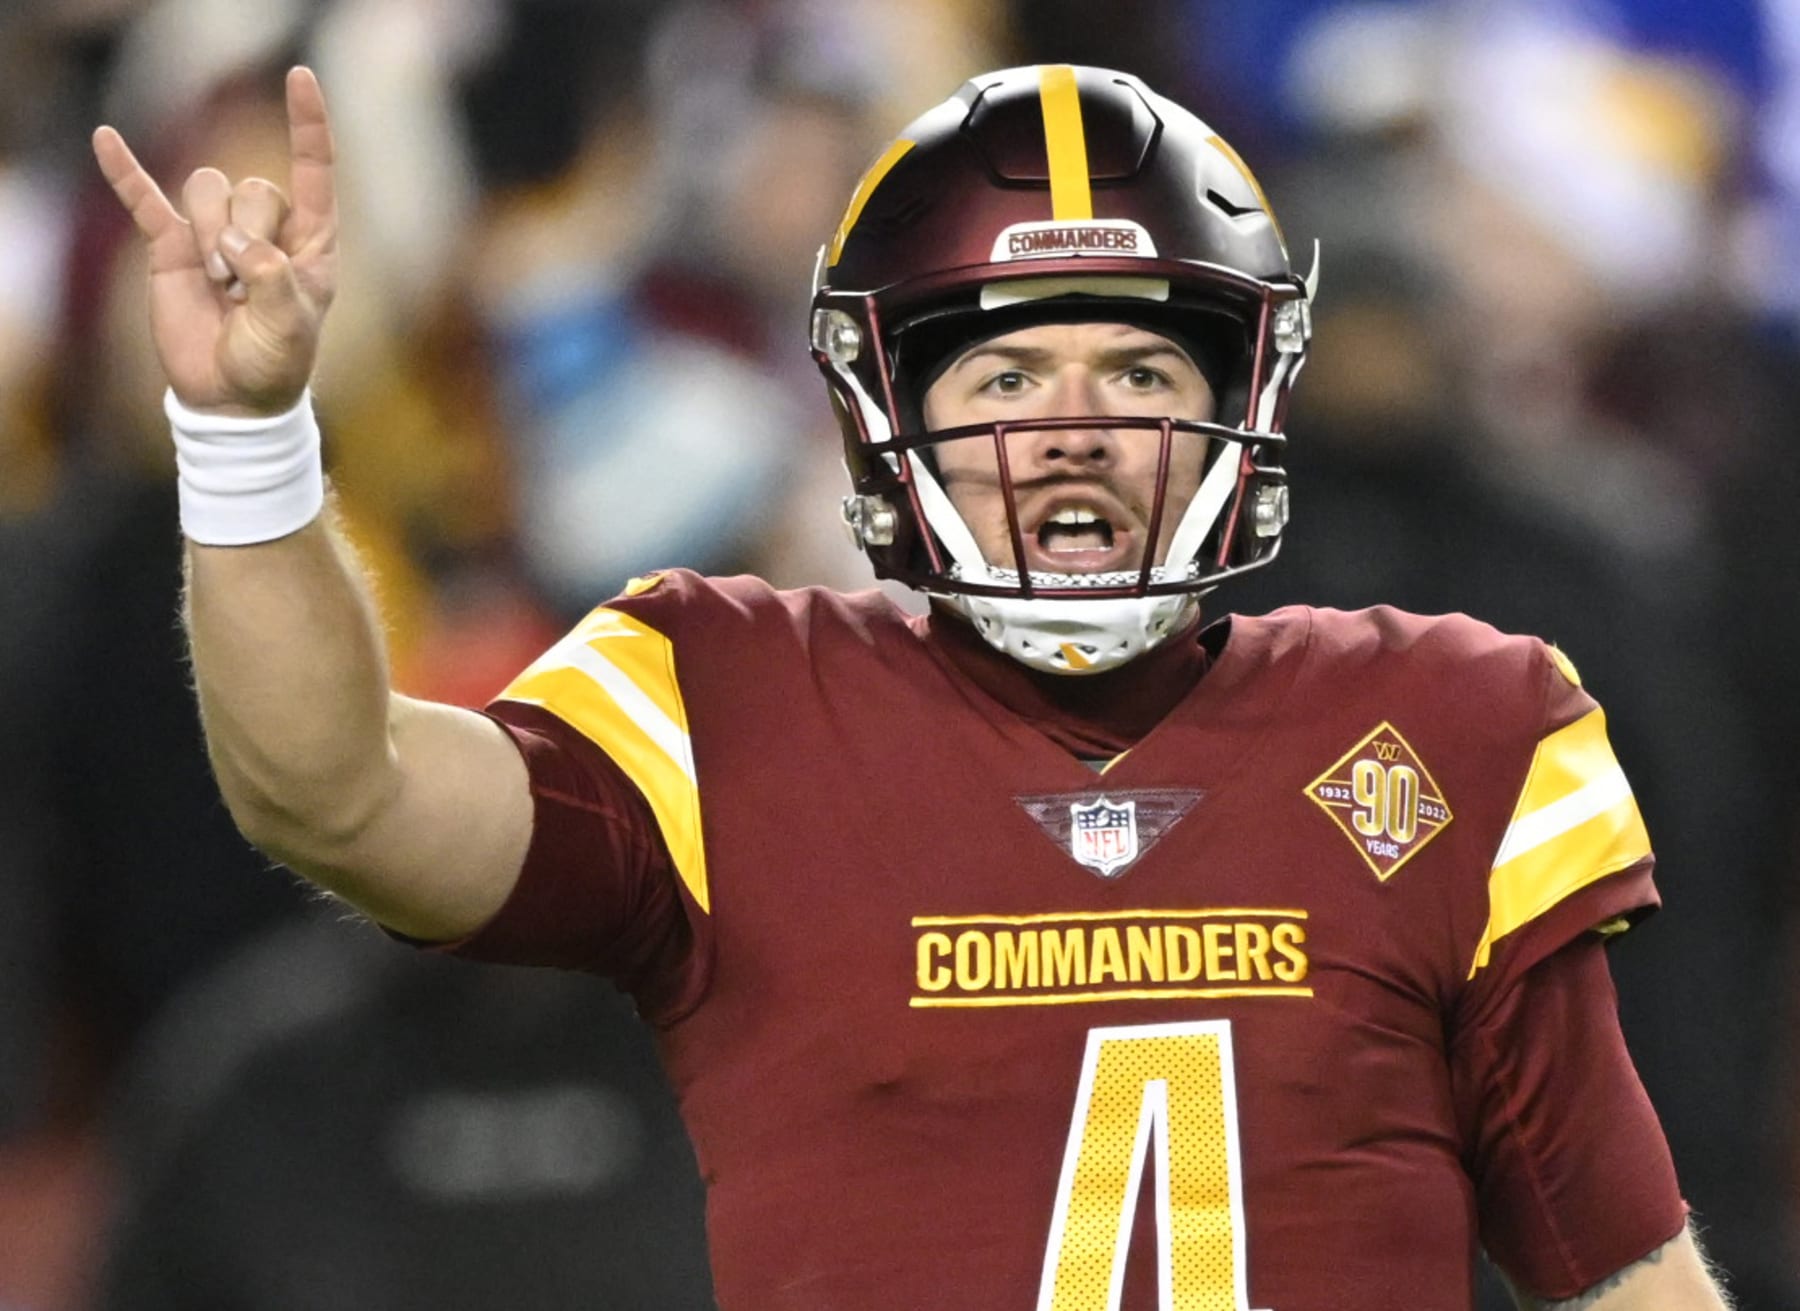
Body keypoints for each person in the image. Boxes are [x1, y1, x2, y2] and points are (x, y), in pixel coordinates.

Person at [93, 63, 1734, 1309]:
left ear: (1246, 397)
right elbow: (337, 790)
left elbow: (1622, 1274)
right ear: (889, 413)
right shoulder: (724, 699)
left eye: (1143, 370)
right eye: (1007, 371)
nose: (1077, 427)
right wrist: (246, 445)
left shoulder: (1447, 729)